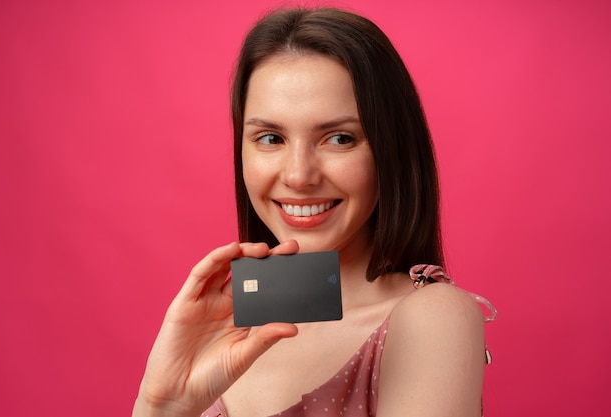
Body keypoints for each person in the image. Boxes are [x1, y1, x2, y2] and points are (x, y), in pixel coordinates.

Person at [133, 7, 494, 417]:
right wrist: (161, 403)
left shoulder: (432, 318)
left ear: (391, 149)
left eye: (339, 138)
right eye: (270, 138)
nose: (299, 175)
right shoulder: (223, 334)